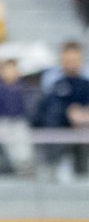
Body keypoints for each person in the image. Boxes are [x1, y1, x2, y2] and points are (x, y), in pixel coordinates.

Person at [33, 40, 89, 181]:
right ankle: (52, 167)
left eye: (75, 60)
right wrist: (68, 112)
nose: (71, 63)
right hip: (59, 131)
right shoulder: (53, 81)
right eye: (68, 60)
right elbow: (46, 111)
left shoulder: (85, 82)